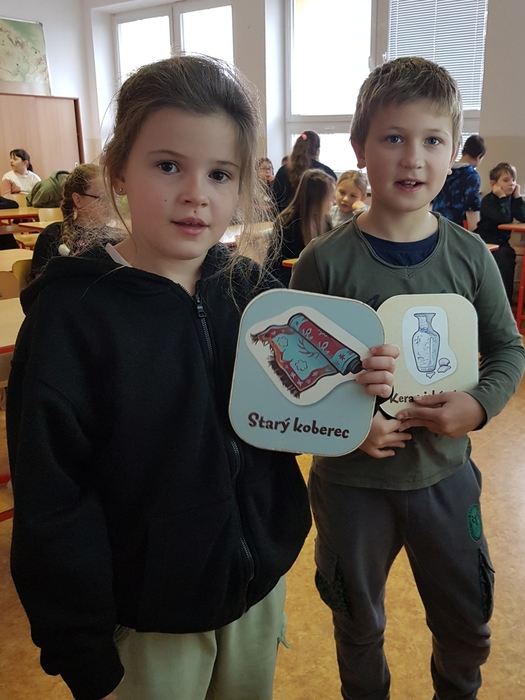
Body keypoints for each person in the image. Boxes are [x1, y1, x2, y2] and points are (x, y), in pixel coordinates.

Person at [6, 54, 396, 700]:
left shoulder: (249, 292)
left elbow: (280, 417)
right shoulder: (71, 320)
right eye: (168, 166)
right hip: (145, 622)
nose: (196, 193)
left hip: (254, 591)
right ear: (119, 171)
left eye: (219, 173)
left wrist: (355, 392)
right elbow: (53, 499)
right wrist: (81, 650)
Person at [290, 56, 525, 700]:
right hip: (351, 487)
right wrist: (348, 425)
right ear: (359, 148)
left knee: (466, 620)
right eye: (393, 137)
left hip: (445, 477)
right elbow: (294, 377)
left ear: (453, 154)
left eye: (432, 140)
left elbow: (508, 350)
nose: (413, 158)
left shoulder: (471, 257)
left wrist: (477, 407)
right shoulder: (323, 263)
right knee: (357, 622)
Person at [29, 163, 124, 279]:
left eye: (112, 198)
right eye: (102, 199)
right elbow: (43, 285)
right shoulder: (51, 235)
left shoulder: (118, 238)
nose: (110, 205)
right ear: (78, 200)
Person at [266, 168, 335, 286]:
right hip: (287, 283)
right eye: (331, 198)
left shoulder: (326, 221)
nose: (333, 203)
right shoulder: (288, 223)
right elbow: (277, 267)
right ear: (317, 199)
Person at [475, 161, 525, 305]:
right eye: (506, 180)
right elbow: (503, 218)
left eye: (513, 180)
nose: (511, 184)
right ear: (493, 184)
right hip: (486, 241)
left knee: (508, 254)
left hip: (501, 243)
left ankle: (506, 301)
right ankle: (502, 301)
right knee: (505, 257)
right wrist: (502, 197)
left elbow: (523, 216)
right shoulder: (488, 201)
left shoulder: (511, 199)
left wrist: (517, 198)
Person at [271, 130, 336, 212]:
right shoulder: (326, 173)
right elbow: (333, 202)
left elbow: (274, 202)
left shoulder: (282, 171)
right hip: (316, 218)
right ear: (317, 151)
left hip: (286, 218)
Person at [432, 134, 486, 230]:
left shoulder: (446, 170)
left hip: (437, 220)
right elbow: (473, 204)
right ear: (479, 157)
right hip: (457, 224)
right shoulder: (471, 175)